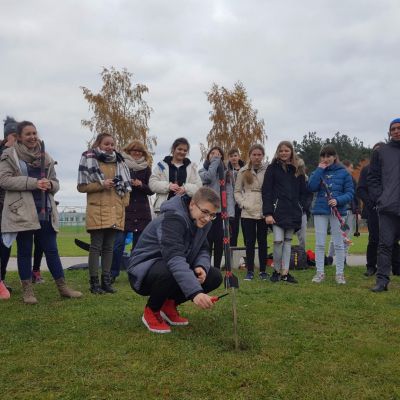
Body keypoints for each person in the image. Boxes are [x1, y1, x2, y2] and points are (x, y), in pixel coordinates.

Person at [0, 120, 82, 304]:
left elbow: (56, 182)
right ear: (20, 137)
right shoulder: (9, 155)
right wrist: (33, 183)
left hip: (45, 209)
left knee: (52, 250)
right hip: (22, 211)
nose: (32, 137)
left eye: (34, 133)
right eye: (28, 134)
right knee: (24, 251)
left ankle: (63, 288)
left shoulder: (46, 156)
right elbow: (4, 180)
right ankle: (28, 292)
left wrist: (51, 185)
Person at [127, 187, 223, 334]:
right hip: (143, 271)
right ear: (192, 204)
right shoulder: (173, 219)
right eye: (205, 212)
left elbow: (203, 249)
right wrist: (195, 292)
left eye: (212, 215)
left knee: (214, 276)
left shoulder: (204, 223)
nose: (207, 218)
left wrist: (201, 266)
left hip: (169, 266)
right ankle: (151, 311)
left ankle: (168, 305)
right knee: (170, 269)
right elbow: (174, 257)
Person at [77, 133, 131, 294]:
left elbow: (126, 186)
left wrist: (124, 201)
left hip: (116, 209)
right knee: (96, 247)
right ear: (98, 144)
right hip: (97, 209)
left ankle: (106, 282)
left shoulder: (120, 161)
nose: (110, 147)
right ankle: (94, 283)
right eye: (106, 144)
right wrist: (101, 185)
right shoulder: (88, 159)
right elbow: (81, 187)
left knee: (109, 247)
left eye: (112, 144)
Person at [308, 144, 354, 284]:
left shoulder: (344, 173)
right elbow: (311, 187)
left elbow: (350, 193)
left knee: (339, 244)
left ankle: (339, 274)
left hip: (338, 212)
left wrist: (338, 200)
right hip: (320, 211)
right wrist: (319, 170)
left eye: (329, 156)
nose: (326, 158)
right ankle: (320, 273)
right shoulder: (318, 171)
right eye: (323, 156)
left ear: (335, 157)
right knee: (320, 244)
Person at [262, 141, 307, 283]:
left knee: (288, 241)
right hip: (277, 212)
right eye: (281, 150)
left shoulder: (298, 169)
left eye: (286, 150)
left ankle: (285, 273)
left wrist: (302, 207)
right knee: (278, 241)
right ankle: (276, 270)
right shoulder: (272, 168)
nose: (283, 153)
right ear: (277, 152)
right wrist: (268, 213)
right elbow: (266, 191)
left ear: (291, 152)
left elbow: (303, 192)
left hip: (293, 211)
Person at [110, 140, 153, 282]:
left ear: (143, 153)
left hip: (142, 210)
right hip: (125, 209)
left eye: (139, 151)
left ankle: (135, 274)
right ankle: (112, 274)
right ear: (128, 151)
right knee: (118, 244)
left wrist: (141, 185)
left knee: (139, 247)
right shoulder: (120, 165)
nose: (136, 153)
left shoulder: (146, 168)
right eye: (134, 150)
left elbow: (151, 190)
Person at [357, 142, 400, 277]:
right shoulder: (366, 169)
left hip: (391, 208)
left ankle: (397, 267)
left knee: (393, 239)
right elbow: (361, 189)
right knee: (374, 238)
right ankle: (371, 266)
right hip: (373, 209)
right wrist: (371, 203)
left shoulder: (392, 168)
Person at [368, 118, 400, 292]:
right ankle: (382, 281)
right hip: (387, 207)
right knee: (385, 245)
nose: (396, 131)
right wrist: (380, 197)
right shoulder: (381, 152)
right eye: (393, 129)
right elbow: (372, 178)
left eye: (399, 128)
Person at [234, 144, 269, 280]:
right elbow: (237, 191)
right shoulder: (243, 171)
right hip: (247, 210)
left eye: (259, 154)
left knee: (262, 241)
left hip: (263, 208)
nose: (257, 157)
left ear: (263, 155)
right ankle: (249, 270)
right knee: (249, 241)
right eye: (254, 154)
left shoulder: (268, 170)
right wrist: (243, 203)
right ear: (249, 155)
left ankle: (263, 271)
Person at [199, 146, 234, 269]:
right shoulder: (202, 171)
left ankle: (217, 268)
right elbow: (208, 177)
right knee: (207, 241)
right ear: (208, 156)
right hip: (206, 212)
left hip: (220, 212)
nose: (215, 156)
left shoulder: (226, 174)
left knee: (219, 240)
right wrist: (214, 162)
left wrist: (230, 212)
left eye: (218, 154)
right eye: (213, 154)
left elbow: (229, 193)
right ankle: (205, 266)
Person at [149, 137, 202, 214]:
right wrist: (168, 186)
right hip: (164, 209)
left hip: (185, 209)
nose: (182, 152)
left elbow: (199, 187)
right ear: (173, 149)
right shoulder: (161, 165)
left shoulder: (192, 167)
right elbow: (152, 183)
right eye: (179, 149)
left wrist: (185, 188)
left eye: (185, 150)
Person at [326, 160, 361, 265]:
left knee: (346, 236)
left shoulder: (352, 180)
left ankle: (344, 258)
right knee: (336, 235)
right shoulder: (337, 178)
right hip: (339, 211)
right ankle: (330, 257)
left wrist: (357, 211)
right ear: (345, 167)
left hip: (350, 212)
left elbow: (356, 196)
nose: (352, 169)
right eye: (351, 167)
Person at [227, 148, 245, 247]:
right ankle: (232, 254)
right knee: (233, 231)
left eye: (235, 155)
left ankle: (248, 256)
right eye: (231, 156)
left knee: (247, 229)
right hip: (232, 204)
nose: (233, 158)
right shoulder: (226, 171)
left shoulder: (246, 169)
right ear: (228, 158)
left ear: (239, 156)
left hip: (244, 202)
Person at [295, 158, 313, 250]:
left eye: (301, 167)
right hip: (288, 210)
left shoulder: (306, 179)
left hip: (302, 211)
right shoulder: (288, 179)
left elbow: (309, 195)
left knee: (302, 237)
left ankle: (301, 255)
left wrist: (305, 207)